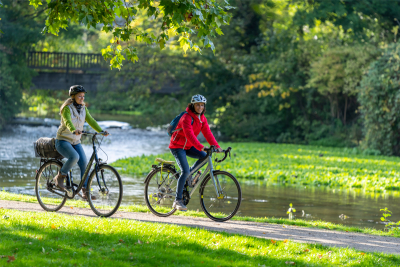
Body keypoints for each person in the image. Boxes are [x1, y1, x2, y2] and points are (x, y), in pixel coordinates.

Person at [53, 85, 108, 200]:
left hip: (75, 141)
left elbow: (91, 121)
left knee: (84, 163)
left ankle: (85, 191)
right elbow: (68, 121)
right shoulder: (67, 108)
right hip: (63, 140)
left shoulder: (83, 108)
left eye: (83, 96)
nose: (82, 98)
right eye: (80, 96)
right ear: (73, 97)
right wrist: (73, 130)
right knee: (74, 157)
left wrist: (101, 131)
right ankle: (59, 177)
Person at [169, 94, 223, 211]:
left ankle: (189, 176)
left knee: (204, 156)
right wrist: (201, 146)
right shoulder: (187, 118)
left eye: (202, 105)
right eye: (198, 105)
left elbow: (208, 133)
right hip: (177, 146)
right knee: (185, 170)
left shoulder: (202, 118)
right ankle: (177, 200)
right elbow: (190, 136)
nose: (200, 107)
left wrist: (217, 146)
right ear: (193, 105)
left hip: (188, 146)